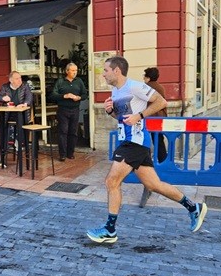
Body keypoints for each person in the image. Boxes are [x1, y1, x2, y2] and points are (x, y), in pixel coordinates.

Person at [86, 56, 207, 244]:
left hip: (134, 142)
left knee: (112, 181)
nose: (103, 74)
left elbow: (161, 102)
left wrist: (140, 116)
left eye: (106, 70)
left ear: (117, 70)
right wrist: (111, 112)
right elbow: (123, 118)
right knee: (154, 185)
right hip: (131, 142)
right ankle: (193, 207)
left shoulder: (134, 86)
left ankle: (110, 230)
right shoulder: (116, 91)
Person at [0, 70, 33, 168]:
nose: (20, 80)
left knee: (21, 129)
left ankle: (19, 143)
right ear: (11, 80)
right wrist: (3, 98)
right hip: (8, 115)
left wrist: (24, 104)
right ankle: (1, 157)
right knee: (1, 131)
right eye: (17, 78)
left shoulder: (25, 86)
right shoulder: (5, 87)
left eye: (20, 78)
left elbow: (29, 97)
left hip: (22, 114)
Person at [51, 62, 88, 161]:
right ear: (67, 71)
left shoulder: (79, 81)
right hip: (63, 110)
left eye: (76, 70)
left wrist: (79, 97)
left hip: (75, 109)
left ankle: (70, 153)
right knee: (63, 132)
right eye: (72, 70)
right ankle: (62, 154)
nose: (75, 72)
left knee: (73, 132)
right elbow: (53, 95)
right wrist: (64, 96)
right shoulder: (60, 81)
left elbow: (85, 94)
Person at [143, 67, 168, 162]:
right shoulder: (160, 87)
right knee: (158, 139)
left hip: (148, 116)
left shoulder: (145, 87)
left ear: (148, 77)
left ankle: (147, 161)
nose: (143, 78)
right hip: (159, 118)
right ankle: (162, 160)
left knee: (145, 139)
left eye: (144, 76)